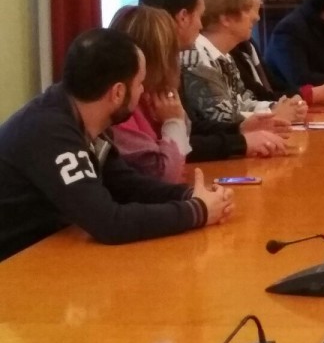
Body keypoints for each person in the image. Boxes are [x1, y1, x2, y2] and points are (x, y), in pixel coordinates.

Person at [0, 29, 234, 262]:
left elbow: (125, 184)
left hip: (50, 253)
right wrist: (198, 211)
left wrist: (189, 194)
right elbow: (108, 222)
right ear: (118, 93)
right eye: (140, 83)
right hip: (14, 266)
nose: (143, 91)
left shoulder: (82, 116)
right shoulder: (49, 130)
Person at [139, 0, 288, 160]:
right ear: (183, 17)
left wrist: (239, 128)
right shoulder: (172, 63)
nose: (201, 26)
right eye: (199, 16)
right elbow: (175, 146)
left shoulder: (168, 62)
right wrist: (241, 142)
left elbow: (192, 127)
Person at [211, 0, 324, 106]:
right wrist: (315, 94)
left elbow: (275, 87)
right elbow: (259, 98)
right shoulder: (225, 51)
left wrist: (318, 91)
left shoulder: (248, 44)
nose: (261, 2)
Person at [181, 0, 306, 126]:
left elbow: (243, 102)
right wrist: (274, 114)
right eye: (246, 11)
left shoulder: (225, 56)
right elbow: (220, 117)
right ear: (226, 19)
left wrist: (278, 107)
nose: (254, 17)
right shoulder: (197, 57)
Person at [109, 5, 192, 182]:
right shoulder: (119, 108)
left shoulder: (149, 95)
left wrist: (177, 117)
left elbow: (183, 154)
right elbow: (167, 176)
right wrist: (173, 122)